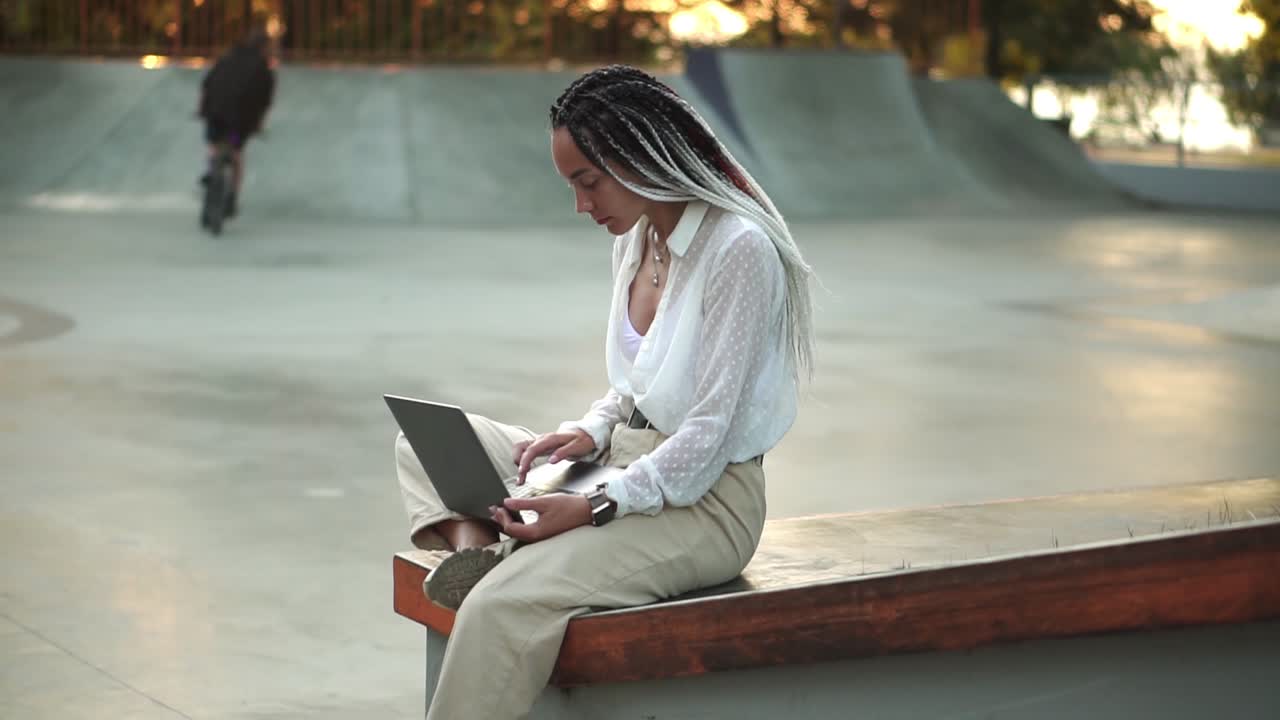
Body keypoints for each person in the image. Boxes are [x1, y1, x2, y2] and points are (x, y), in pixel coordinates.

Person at [395, 64, 816, 720]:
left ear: (640, 156)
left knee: (499, 608)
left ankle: (496, 565)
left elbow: (707, 436)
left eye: (587, 182)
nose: (582, 206)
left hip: (707, 503)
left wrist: (591, 506)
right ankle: (480, 548)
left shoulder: (739, 250)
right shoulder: (640, 235)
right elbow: (637, 383)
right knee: (424, 443)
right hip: (619, 464)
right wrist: (590, 432)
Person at [197, 27, 275, 220]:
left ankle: (211, 170)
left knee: (215, 144)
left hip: (215, 114)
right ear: (265, 47)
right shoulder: (264, 69)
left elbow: (207, 84)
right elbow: (265, 102)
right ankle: (231, 196)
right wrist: (259, 124)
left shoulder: (227, 58)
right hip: (239, 123)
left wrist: (202, 109)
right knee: (236, 151)